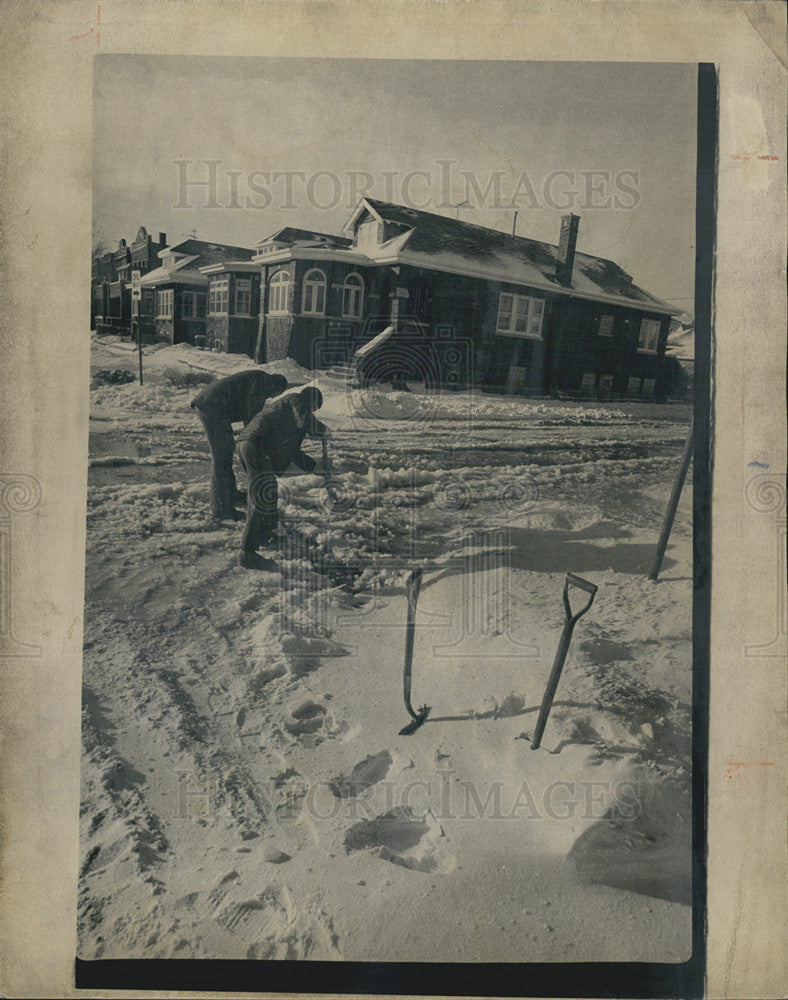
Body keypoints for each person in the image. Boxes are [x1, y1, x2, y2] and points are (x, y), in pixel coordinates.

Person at [235, 386, 328, 570]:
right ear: (311, 400)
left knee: (268, 491)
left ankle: (265, 534)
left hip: (250, 444)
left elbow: (293, 451)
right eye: (314, 408)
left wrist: (315, 468)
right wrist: (321, 430)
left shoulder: (287, 414)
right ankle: (247, 553)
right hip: (255, 445)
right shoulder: (296, 400)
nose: (313, 412)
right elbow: (306, 421)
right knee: (260, 496)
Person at [191, 370, 288, 521]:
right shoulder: (264, 381)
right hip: (212, 407)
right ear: (276, 386)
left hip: (213, 406)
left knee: (227, 451)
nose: (270, 397)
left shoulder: (259, 380)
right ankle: (220, 509)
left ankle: (231, 493)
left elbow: (251, 416)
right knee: (221, 458)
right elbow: (252, 417)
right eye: (272, 395)